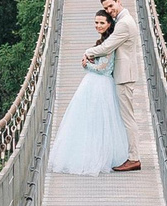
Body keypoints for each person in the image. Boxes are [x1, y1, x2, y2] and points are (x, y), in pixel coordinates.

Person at [49, 10, 131, 174]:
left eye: (102, 23)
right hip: (94, 84)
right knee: (90, 120)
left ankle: (99, 156)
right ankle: (92, 154)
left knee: (98, 121)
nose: (98, 26)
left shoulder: (109, 43)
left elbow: (104, 69)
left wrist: (87, 65)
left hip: (101, 85)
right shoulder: (103, 41)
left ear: (109, 24)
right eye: (96, 22)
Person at [87, 0, 149, 171]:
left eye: (111, 6)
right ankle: (126, 154)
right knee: (125, 117)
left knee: (128, 118)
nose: (109, 10)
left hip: (124, 76)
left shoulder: (124, 23)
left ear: (118, 1)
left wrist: (88, 53)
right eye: (106, 8)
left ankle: (134, 158)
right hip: (122, 74)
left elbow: (107, 47)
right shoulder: (122, 21)